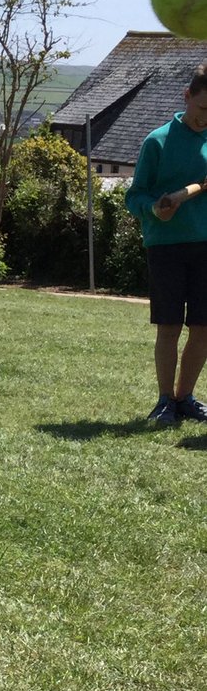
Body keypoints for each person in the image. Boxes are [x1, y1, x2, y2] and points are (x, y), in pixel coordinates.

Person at [126, 64, 207, 425]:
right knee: (170, 326)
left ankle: (185, 397)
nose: (206, 119)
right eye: (203, 109)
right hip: (166, 246)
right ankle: (164, 401)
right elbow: (134, 196)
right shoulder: (156, 141)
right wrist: (154, 208)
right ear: (187, 97)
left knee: (204, 327)